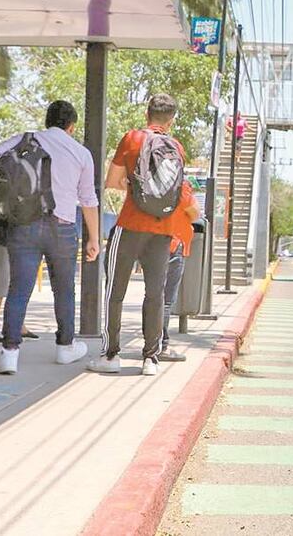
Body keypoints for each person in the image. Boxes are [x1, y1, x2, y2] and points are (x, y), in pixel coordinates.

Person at [87, 94, 197, 377]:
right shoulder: (177, 147)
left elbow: (112, 181)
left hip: (130, 225)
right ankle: (151, 358)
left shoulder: (132, 138)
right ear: (170, 121)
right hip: (163, 230)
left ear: (146, 113)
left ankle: (111, 355)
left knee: (115, 291)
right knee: (155, 294)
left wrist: (135, 188)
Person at [0, 101, 100, 375]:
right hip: (62, 228)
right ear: (71, 126)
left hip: (24, 225)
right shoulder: (81, 153)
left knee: (19, 289)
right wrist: (94, 239)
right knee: (63, 289)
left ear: (48, 120)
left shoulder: (26, 139)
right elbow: (88, 200)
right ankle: (65, 347)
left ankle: (9, 354)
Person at [0, 208, 37, 345]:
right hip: (2, 239)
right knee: (0, 283)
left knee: (17, 283)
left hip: (10, 239)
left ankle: (19, 326)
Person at [159, 209, 200, 363]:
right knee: (166, 300)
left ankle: (150, 345)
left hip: (153, 243)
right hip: (174, 244)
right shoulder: (181, 188)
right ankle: (161, 346)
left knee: (152, 296)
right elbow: (195, 213)